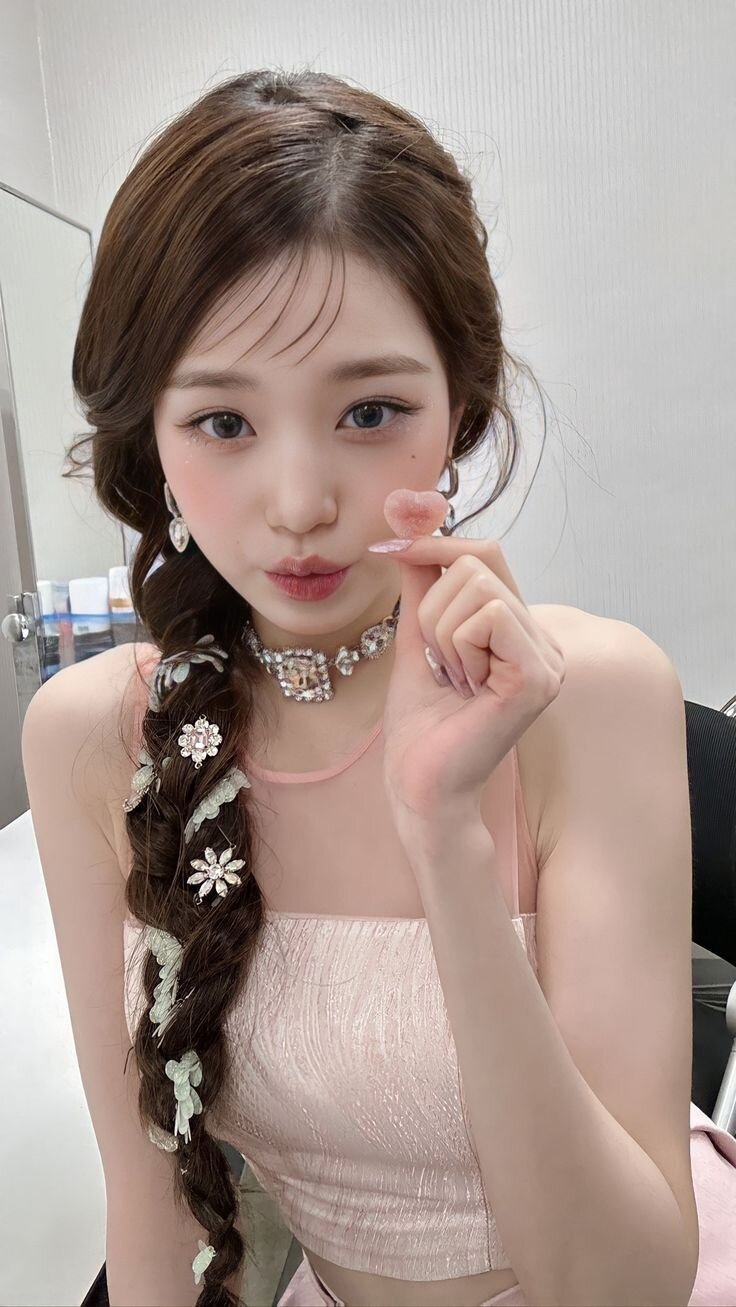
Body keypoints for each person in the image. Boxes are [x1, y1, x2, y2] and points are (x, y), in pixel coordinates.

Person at [22, 67, 734, 1307]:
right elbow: (151, 1223)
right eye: (223, 422)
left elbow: (623, 1286)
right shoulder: (94, 738)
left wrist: (445, 836)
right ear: (152, 438)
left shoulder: (593, 699)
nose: (301, 502)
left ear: (457, 409)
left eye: (369, 410)